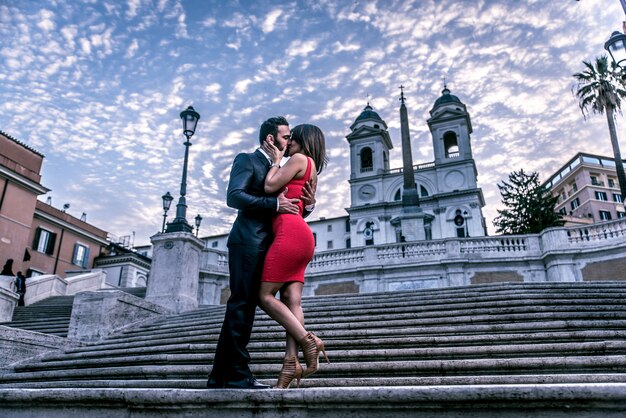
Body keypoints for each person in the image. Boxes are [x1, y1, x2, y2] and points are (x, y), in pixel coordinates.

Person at [207, 116, 316, 390]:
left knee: (247, 305)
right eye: (285, 137)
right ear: (270, 139)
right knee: (242, 305)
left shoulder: (282, 167)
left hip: (271, 243)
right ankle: (235, 375)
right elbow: (234, 196)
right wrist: (272, 205)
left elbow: (291, 202)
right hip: (247, 242)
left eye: (291, 137)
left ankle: (221, 376)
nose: (289, 141)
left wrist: (308, 205)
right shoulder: (248, 160)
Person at [258, 124, 329, 389]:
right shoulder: (313, 168)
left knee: (264, 296)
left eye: (292, 139)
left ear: (302, 141)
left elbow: (269, 186)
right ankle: (290, 364)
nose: (287, 144)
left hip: (289, 232)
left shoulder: (298, 159)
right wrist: (310, 205)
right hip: (303, 236)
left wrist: (276, 161)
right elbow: (305, 204)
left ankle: (307, 339)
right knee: (291, 301)